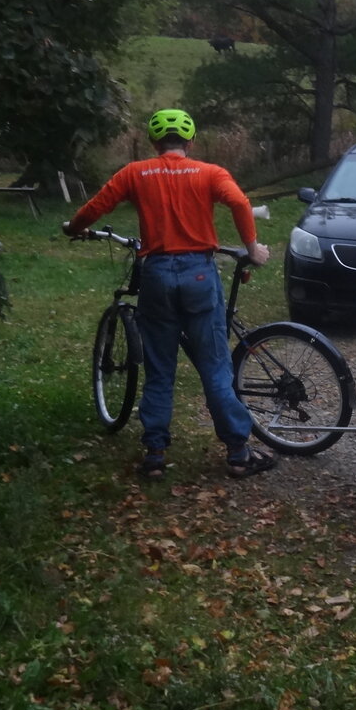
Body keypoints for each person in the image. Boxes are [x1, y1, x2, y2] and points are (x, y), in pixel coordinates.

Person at [63, 108, 274, 479]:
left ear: (154, 141)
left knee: (159, 370)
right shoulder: (210, 173)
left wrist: (74, 228)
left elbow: (97, 206)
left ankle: (155, 454)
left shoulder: (135, 172)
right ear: (190, 141)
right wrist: (252, 248)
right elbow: (240, 203)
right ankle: (239, 452)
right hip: (198, 275)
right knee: (213, 367)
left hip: (156, 275)